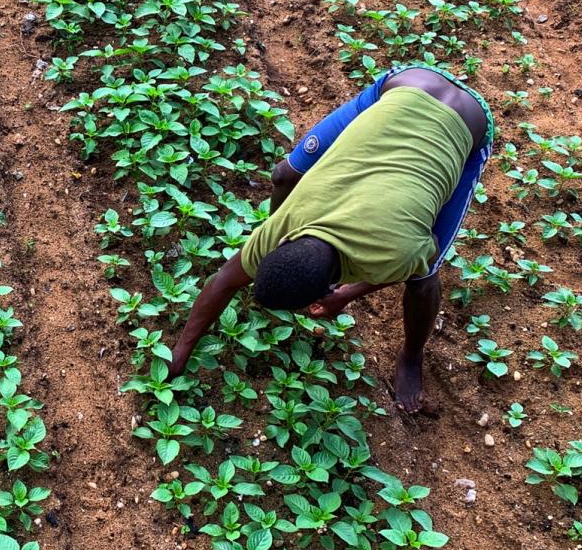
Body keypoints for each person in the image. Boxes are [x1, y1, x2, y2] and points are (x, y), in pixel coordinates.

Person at [164, 65, 495, 413]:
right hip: (403, 83)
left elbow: (412, 268)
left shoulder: (397, 251)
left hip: (468, 123)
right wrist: (181, 349)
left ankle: (412, 354)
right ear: (282, 243)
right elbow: (223, 281)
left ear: (328, 287)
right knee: (284, 175)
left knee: (425, 281)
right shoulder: (282, 226)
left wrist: (346, 296)